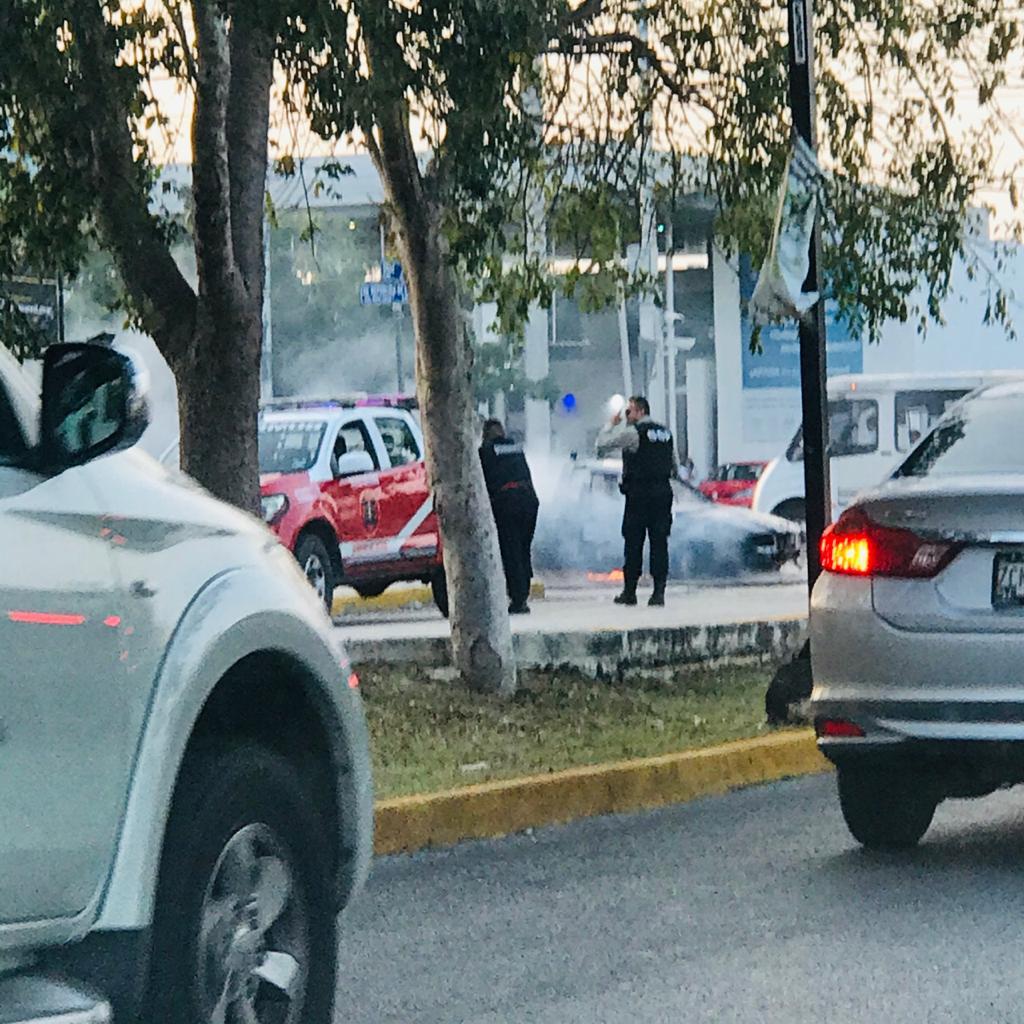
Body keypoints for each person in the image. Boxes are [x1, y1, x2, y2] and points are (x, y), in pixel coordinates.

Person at [595, 395, 678, 607]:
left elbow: (602, 444)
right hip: (662, 493)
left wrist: (611, 425)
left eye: (629, 411)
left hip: (639, 494)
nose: (626, 415)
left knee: (633, 542)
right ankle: (658, 593)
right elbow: (674, 466)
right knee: (660, 543)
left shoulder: (633, 433)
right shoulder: (666, 433)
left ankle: (630, 592)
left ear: (640, 411)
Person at [479, 419, 540, 614]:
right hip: (529, 501)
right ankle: (523, 593)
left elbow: (483, 484)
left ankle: (518, 599)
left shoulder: (485, 452)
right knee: (523, 549)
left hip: (508, 504)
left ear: (486, 435)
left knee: (511, 551)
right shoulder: (515, 448)